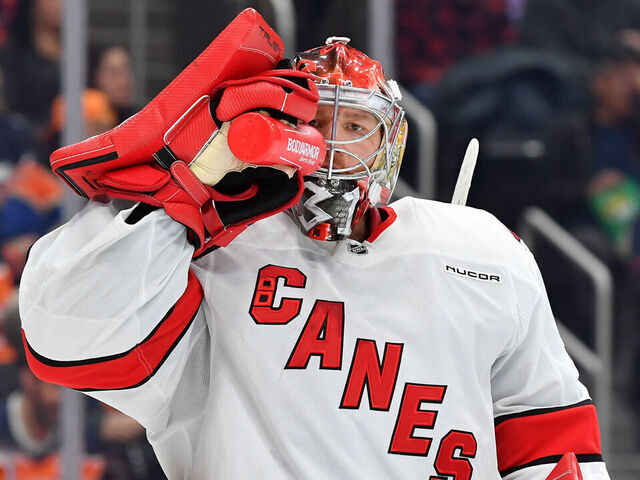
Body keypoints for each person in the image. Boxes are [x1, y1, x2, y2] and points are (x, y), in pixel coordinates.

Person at [18, 11, 610, 480]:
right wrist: (186, 192)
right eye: (316, 124)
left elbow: (547, 430)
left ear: (391, 142)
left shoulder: (480, 249)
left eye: (355, 128)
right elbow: (65, 338)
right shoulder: (211, 248)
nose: (332, 147)